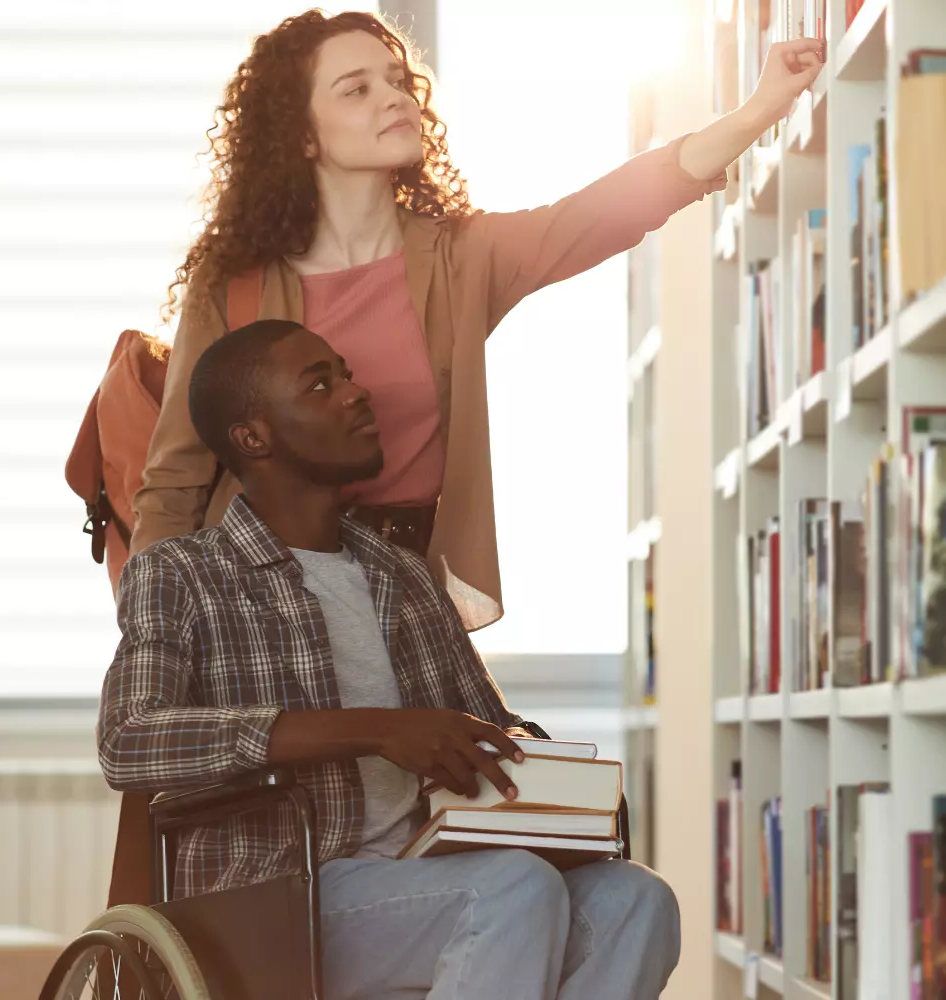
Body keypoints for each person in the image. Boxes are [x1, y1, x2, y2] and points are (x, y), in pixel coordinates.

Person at [131, 7, 823, 633]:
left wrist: (760, 108)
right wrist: (156, 635)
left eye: (396, 79)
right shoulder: (233, 289)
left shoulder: (459, 257)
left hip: (406, 585)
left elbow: (601, 214)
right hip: (256, 597)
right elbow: (175, 484)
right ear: (301, 136)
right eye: (357, 89)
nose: (393, 96)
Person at [99, 319, 680, 1000]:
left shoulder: (402, 576)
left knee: (637, 902)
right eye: (320, 384)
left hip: (425, 871)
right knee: (507, 891)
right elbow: (128, 740)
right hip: (272, 895)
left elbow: (489, 721)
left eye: (346, 374)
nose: (355, 393)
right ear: (253, 437)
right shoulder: (183, 573)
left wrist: (526, 766)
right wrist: (378, 729)